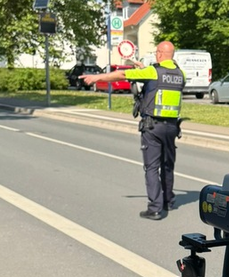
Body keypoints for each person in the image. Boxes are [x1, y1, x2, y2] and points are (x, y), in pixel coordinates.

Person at [80, 41, 186, 220]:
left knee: (152, 167)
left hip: (153, 126)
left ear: (159, 53)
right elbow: (161, 83)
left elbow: (122, 74)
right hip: (172, 127)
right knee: (167, 166)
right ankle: (168, 200)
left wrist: (97, 78)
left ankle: (155, 208)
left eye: (156, 52)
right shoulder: (180, 74)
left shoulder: (153, 71)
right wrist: (144, 68)